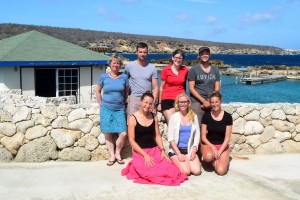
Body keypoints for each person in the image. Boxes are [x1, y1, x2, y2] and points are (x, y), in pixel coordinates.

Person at [121, 91, 188, 186]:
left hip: (154, 150)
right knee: (150, 173)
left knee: (170, 170)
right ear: (140, 102)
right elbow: (132, 141)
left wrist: (162, 151)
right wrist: (145, 155)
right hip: (140, 152)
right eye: (145, 102)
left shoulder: (154, 116)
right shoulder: (133, 118)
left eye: (150, 103)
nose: (147, 105)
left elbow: (157, 136)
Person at [95, 53, 129, 166]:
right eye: (114, 63)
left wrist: (123, 102)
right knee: (107, 132)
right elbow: (98, 91)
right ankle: (112, 156)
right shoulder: (103, 77)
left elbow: (126, 92)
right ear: (110, 64)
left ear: (120, 65)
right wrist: (100, 103)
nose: (116, 65)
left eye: (118, 63)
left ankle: (118, 153)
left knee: (123, 133)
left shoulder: (124, 77)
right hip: (106, 108)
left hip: (119, 109)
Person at [167, 93, 201, 176]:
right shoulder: (174, 117)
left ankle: (187, 161)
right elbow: (171, 138)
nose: (183, 104)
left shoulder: (194, 116)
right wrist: (178, 154)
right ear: (177, 104)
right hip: (176, 151)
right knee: (186, 172)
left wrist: (194, 150)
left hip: (189, 150)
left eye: (185, 102)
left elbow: (197, 135)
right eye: (180, 102)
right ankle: (174, 160)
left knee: (196, 171)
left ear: (188, 103)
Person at [187, 46, 220, 127]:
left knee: (212, 126)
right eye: (202, 54)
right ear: (199, 56)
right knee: (197, 126)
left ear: (209, 55)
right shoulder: (193, 70)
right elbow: (191, 88)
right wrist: (203, 101)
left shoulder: (215, 70)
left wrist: (209, 101)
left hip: (211, 101)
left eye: (206, 53)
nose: (204, 55)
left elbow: (217, 88)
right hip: (196, 101)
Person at [201, 92, 232, 175]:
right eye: (212, 102)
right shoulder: (206, 116)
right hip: (209, 144)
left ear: (220, 101)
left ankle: (223, 159)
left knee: (221, 171)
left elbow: (227, 138)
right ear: (210, 103)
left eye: (216, 102)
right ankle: (212, 159)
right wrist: (213, 148)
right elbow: (203, 137)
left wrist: (220, 151)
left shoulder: (228, 117)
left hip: (222, 145)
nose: (214, 104)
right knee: (208, 157)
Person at [125, 42, 159, 118]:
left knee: (148, 123)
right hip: (134, 99)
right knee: (132, 122)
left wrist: (153, 102)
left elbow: (156, 87)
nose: (142, 54)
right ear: (136, 52)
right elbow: (124, 82)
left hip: (147, 99)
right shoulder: (129, 66)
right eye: (140, 52)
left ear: (147, 53)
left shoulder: (152, 68)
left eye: (144, 52)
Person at [157, 49, 188, 123]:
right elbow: (161, 87)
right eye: (176, 57)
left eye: (180, 58)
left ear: (182, 59)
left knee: (183, 122)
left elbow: (184, 85)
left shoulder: (185, 70)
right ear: (172, 58)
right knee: (172, 122)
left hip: (180, 99)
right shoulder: (166, 70)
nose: (178, 60)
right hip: (167, 99)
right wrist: (159, 103)